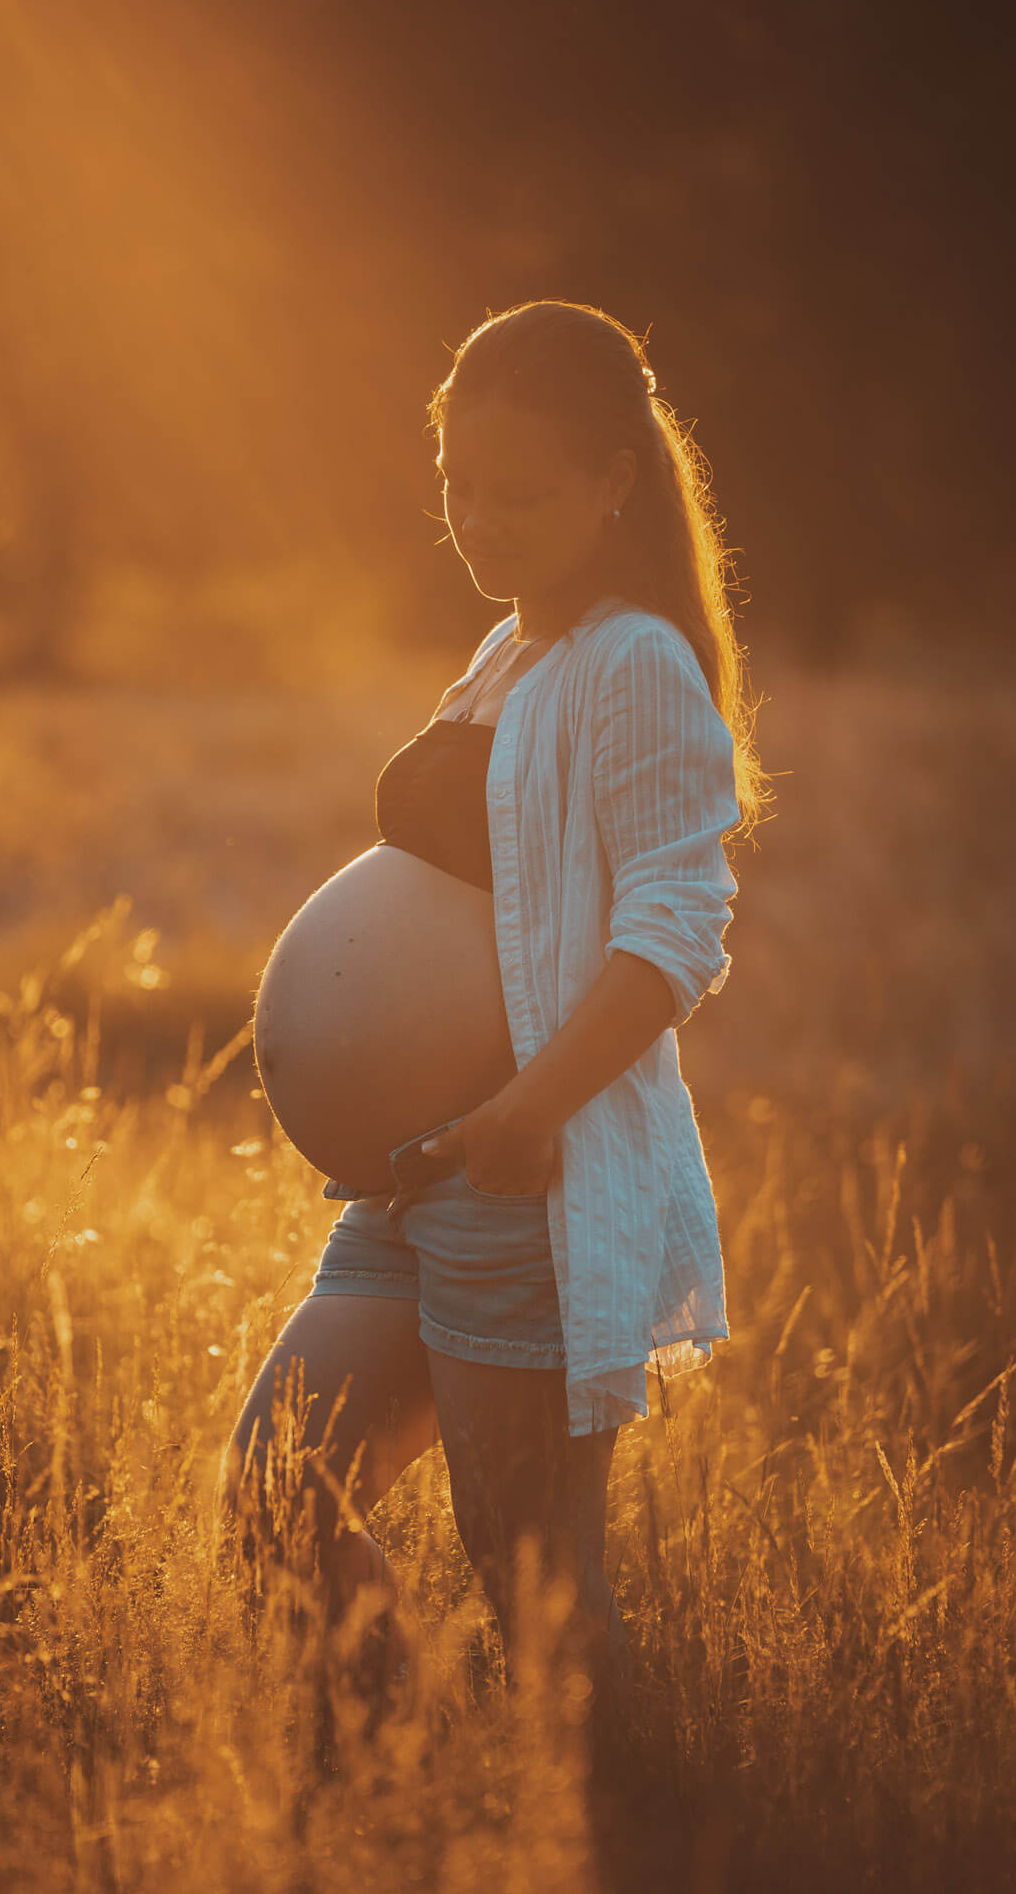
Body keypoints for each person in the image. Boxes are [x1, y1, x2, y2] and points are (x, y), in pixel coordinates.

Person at [218, 299, 769, 1799]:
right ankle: (393, 1789)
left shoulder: (634, 662)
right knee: (276, 1487)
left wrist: (524, 1115)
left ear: (613, 479)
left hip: (521, 1171)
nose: (482, 520)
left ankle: (622, 1836)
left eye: (521, 491)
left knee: (532, 1578)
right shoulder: (509, 649)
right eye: (461, 485)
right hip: (409, 1184)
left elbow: (677, 931)